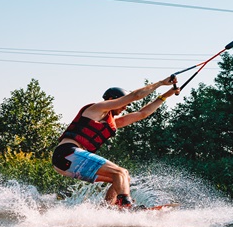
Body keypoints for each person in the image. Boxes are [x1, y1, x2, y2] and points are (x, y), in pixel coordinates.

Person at [51, 75, 180, 209]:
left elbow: (142, 114)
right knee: (120, 172)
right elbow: (135, 95)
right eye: (124, 104)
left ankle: (107, 210)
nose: (125, 107)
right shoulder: (97, 108)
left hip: (68, 164)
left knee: (122, 179)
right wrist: (160, 83)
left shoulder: (112, 122)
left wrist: (166, 96)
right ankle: (126, 206)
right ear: (113, 100)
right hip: (66, 153)